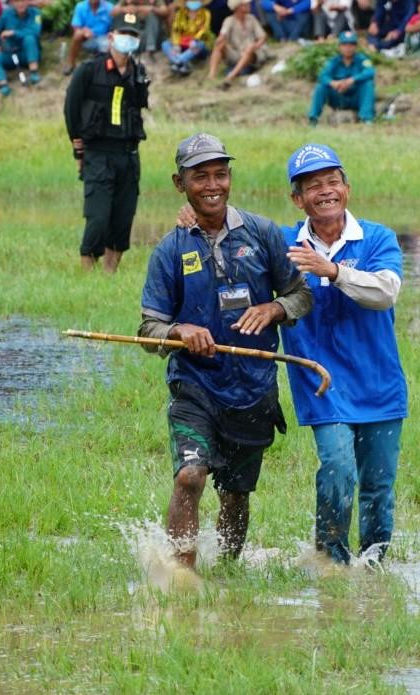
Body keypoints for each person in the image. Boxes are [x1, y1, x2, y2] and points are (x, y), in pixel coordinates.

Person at [139, 133, 313, 572]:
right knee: (190, 476)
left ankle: (230, 569)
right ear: (180, 184)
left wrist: (273, 308)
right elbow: (148, 328)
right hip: (196, 386)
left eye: (220, 174)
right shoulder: (170, 249)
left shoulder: (262, 232)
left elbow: (300, 295)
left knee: (235, 494)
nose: (212, 185)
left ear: (230, 178)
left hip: (253, 389)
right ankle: (182, 574)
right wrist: (179, 330)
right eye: (200, 177)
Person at [280, 144, 408, 567]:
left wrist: (332, 271)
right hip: (322, 383)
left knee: (378, 484)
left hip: (379, 382)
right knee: (337, 467)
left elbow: (386, 291)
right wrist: (188, 218)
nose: (326, 191)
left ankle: (373, 566)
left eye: (333, 182)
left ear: (347, 189)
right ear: (298, 199)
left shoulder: (376, 238)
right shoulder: (283, 244)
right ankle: (332, 562)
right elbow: (230, 233)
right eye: (313, 185)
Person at [64, 12, 150, 272]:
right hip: (98, 152)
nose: (129, 40)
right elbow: (71, 108)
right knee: (98, 218)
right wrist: (77, 147)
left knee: (122, 218)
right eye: (124, 34)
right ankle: (86, 273)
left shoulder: (139, 73)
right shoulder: (89, 70)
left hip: (128, 153)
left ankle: (110, 275)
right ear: (111, 37)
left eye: (134, 35)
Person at [308, 30, 375, 125]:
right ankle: (313, 119)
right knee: (321, 87)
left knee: (368, 84)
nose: (348, 48)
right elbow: (322, 75)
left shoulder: (362, 59)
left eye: (351, 45)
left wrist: (352, 80)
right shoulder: (334, 61)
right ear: (339, 47)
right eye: (345, 45)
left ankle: (366, 118)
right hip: (339, 97)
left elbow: (370, 71)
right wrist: (333, 83)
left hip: (356, 98)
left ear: (355, 47)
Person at [207, 0, 266, 88]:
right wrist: (220, 40)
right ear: (239, 7)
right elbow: (223, 35)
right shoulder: (229, 20)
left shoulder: (252, 18)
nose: (249, 5)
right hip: (237, 53)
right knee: (219, 45)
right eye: (246, 4)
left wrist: (255, 46)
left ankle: (230, 77)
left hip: (253, 54)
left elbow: (262, 37)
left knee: (249, 48)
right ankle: (211, 76)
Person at [0, 0, 41, 96]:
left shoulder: (36, 13)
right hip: (10, 53)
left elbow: (36, 31)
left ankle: (34, 72)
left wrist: (14, 33)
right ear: (12, 3)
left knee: (29, 38)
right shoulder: (6, 15)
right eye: (17, 1)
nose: (20, 4)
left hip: (28, 53)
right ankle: (2, 84)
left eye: (23, 1)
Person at [162, 0, 212, 75]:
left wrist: (195, 40)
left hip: (197, 44)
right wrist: (176, 44)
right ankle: (181, 62)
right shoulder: (180, 13)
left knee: (200, 44)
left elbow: (204, 30)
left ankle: (178, 61)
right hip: (183, 43)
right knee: (165, 44)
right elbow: (176, 30)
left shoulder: (206, 13)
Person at [63, 0, 113, 76]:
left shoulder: (109, 8)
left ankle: (108, 68)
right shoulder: (80, 6)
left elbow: (114, 27)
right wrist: (83, 31)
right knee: (78, 34)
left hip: (104, 38)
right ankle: (71, 63)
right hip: (87, 38)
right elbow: (76, 26)